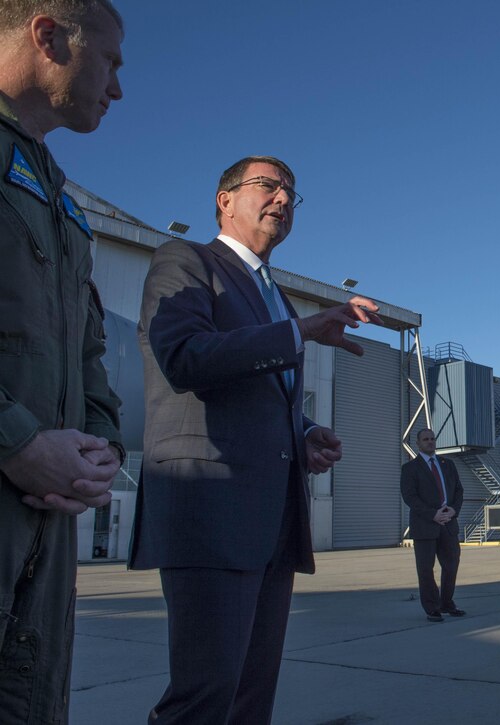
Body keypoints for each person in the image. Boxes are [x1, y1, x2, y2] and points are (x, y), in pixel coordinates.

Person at [130, 155, 380, 724]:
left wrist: (306, 431)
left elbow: (259, 397)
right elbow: (183, 357)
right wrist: (301, 332)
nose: (283, 199)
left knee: (250, 695)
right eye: (267, 186)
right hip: (212, 510)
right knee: (203, 697)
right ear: (225, 199)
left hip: (272, 521)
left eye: (291, 192)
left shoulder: (275, 296)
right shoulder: (187, 261)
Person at [0, 2, 125, 721]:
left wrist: (102, 446)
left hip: (46, 520)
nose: (116, 89)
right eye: (109, 62)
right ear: (47, 36)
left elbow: (87, 347)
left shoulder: (57, 194)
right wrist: (15, 438)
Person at [401, 428, 465, 622]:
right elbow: (410, 496)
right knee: (426, 569)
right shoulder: (410, 468)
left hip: (448, 523)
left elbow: (459, 491)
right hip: (425, 526)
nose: (430, 442)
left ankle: (446, 603)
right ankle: (432, 607)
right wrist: (432, 514)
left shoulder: (448, 465)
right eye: (425, 439)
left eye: (432, 438)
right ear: (418, 443)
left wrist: (454, 509)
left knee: (451, 565)